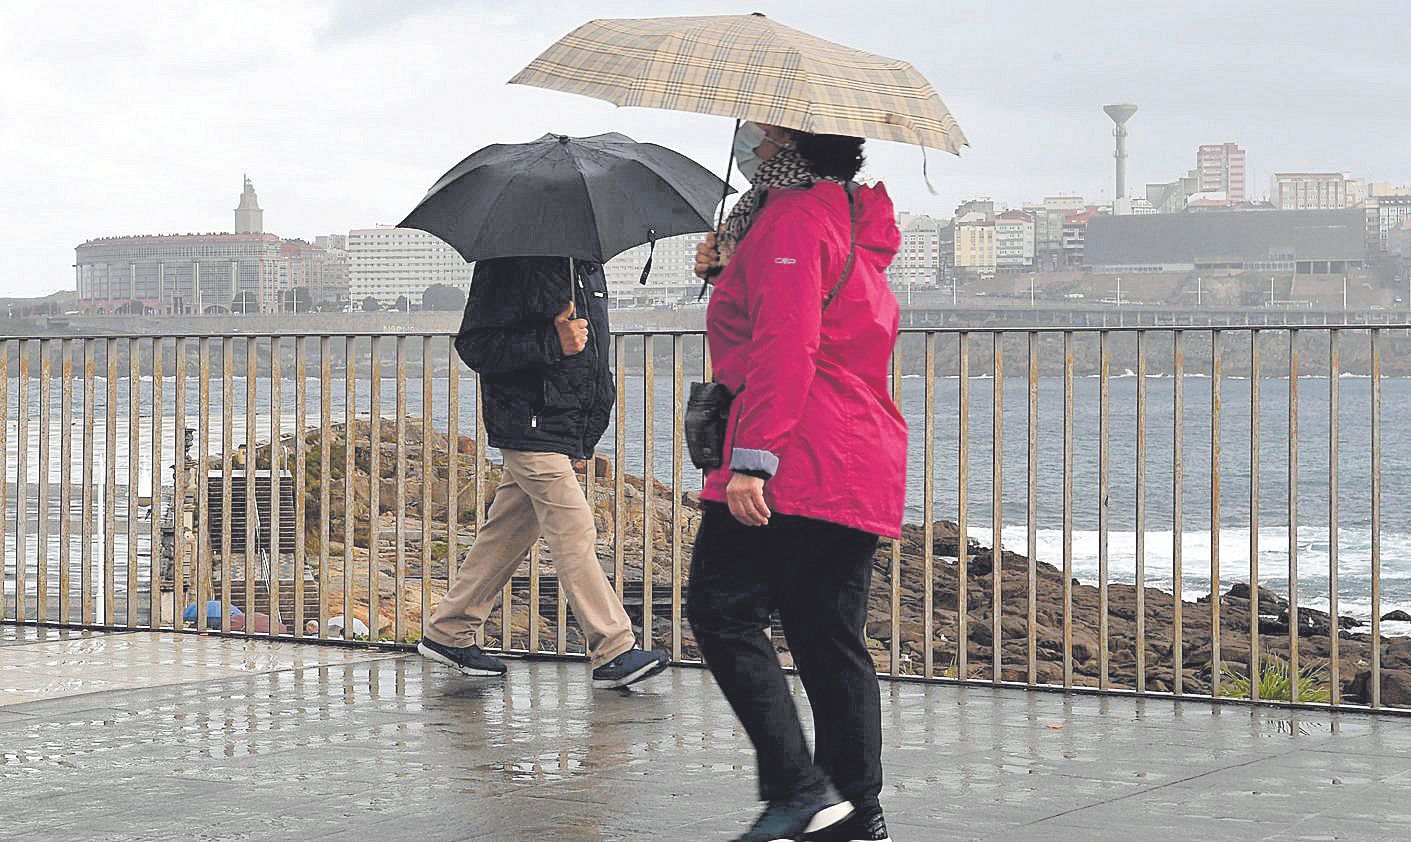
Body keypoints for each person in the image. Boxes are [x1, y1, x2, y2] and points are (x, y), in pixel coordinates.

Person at [686, 123, 905, 842]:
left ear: (792, 143)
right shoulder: (842, 214)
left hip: (800, 455)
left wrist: (752, 458)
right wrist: (728, 272)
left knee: (722, 612)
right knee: (826, 637)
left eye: (763, 128)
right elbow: (813, 317)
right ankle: (854, 808)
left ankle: (798, 789)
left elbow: (788, 340)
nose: (749, 136)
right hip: (855, 459)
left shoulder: (789, 218)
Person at [418, 256, 668, 690]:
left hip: (556, 426)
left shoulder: (586, 267)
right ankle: (613, 648)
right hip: (527, 422)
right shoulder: (508, 261)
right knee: (573, 525)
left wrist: (581, 435)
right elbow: (477, 345)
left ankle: (448, 632)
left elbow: (589, 358)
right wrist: (552, 341)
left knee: (509, 530)